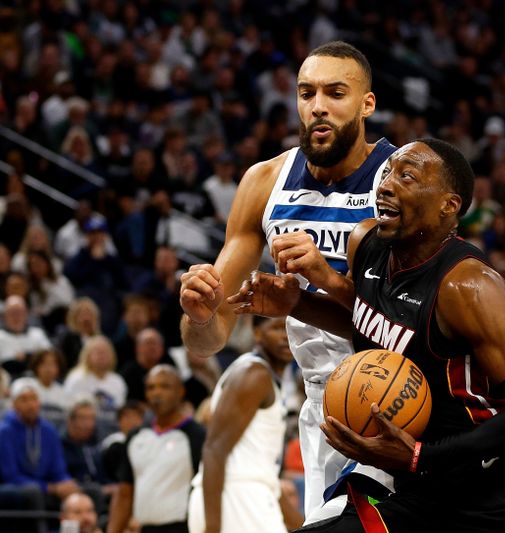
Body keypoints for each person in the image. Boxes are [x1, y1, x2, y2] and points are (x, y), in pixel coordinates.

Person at [230, 139, 505, 531]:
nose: (385, 184)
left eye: (407, 176)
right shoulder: (365, 243)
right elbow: (371, 324)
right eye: (388, 173)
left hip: (495, 488)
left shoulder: (467, 285)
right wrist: (297, 303)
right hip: (417, 490)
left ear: (448, 206)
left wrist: (422, 456)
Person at [178, 41, 396, 522]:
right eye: (306, 92)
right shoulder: (264, 182)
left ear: (367, 104)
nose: (317, 105)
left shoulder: (402, 179)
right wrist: (199, 314)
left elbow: (423, 319)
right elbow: (207, 339)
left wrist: (324, 277)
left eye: (335, 92)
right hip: (324, 408)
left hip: (402, 398)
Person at [188, 316, 303, 533]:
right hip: (233, 496)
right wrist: (212, 527)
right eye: (277, 328)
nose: (285, 336)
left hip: (248, 495)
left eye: (290, 328)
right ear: (257, 333)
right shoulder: (254, 374)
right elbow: (214, 449)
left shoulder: (263, 376)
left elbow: (264, 475)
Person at [107, 365, 205, 533]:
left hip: (184, 527)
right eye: (151, 387)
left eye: (165, 386)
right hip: (144, 528)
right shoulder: (135, 436)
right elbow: (125, 493)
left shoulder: (197, 436)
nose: (156, 393)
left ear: (180, 391)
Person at [0, 378, 80, 533]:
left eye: (34, 399)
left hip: (45, 486)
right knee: (33, 491)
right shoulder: (4, 432)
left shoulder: (48, 430)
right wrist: (50, 488)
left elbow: (59, 469)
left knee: (86, 490)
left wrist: (66, 482)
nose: (31, 404)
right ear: (14, 405)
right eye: (24, 400)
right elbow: (10, 475)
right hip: (12, 487)